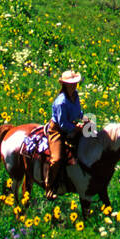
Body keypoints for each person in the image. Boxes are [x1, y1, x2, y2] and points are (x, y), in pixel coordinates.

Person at [45, 70, 83, 200]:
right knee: (57, 159)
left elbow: (79, 111)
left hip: (74, 125)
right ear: (65, 85)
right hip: (58, 130)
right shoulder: (61, 102)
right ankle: (49, 186)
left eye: (75, 83)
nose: (74, 85)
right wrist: (75, 128)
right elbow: (62, 124)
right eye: (71, 83)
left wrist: (83, 119)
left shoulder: (75, 96)